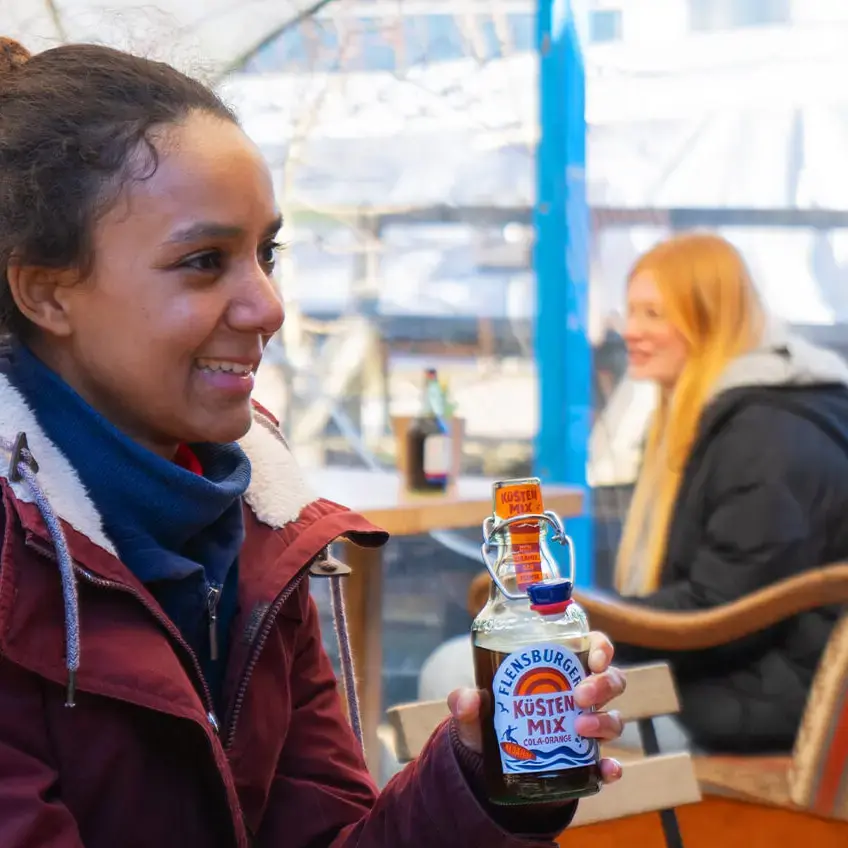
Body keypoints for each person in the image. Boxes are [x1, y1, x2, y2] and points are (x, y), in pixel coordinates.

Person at [0, 37, 626, 848]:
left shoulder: (258, 524)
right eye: (202, 261)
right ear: (46, 292)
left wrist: (479, 773)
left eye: (266, 253)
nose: (267, 306)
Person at [613, 231, 848, 754]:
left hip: (770, 715)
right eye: (630, 312)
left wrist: (581, 632)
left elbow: (721, 615)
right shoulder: (759, 414)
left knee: (474, 684)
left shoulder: (767, 436)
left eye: (654, 314)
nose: (630, 330)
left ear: (710, 320)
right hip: (753, 689)